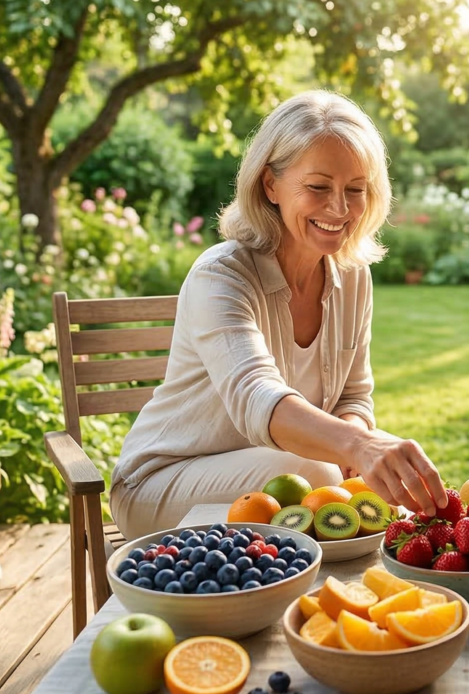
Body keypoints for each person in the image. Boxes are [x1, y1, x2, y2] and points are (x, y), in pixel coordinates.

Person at [112, 90, 447, 538]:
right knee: (320, 479)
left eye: (355, 190)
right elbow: (258, 399)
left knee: (347, 487)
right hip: (161, 485)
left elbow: (353, 396)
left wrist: (355, 448)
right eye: (317, 187)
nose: (340, 209)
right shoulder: (221, 276)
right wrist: (360, 446)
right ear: (270, 184)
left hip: (279, 477)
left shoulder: (353, 275)